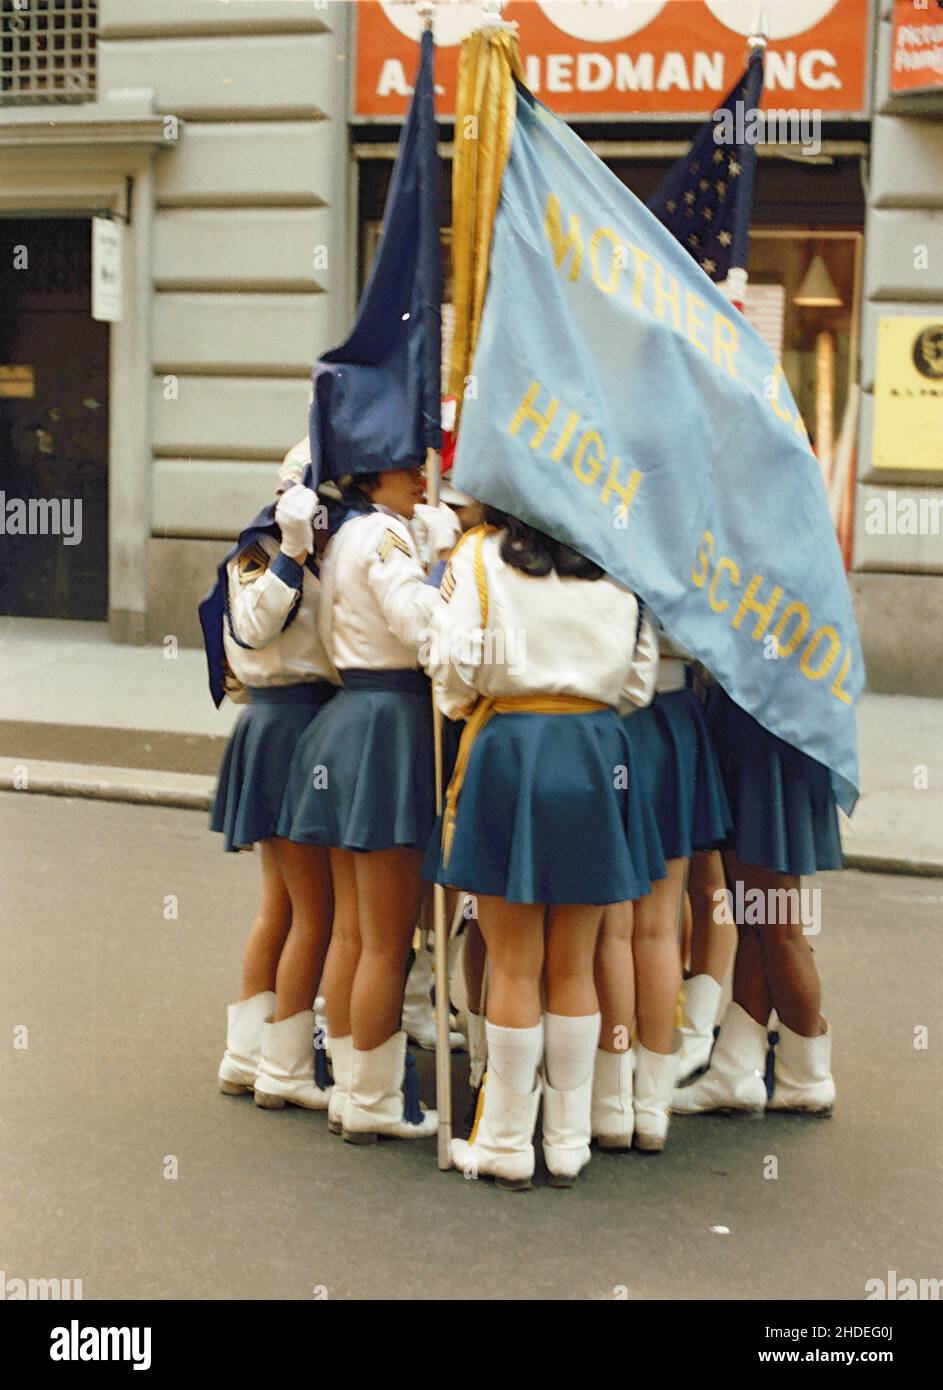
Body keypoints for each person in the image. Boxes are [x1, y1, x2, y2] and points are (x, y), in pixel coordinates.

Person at [425, 510, 665, 1190]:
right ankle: (565, 1141)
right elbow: (638, 682)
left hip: (510, 749)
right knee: (572, 964)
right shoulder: (619, 558)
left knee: (513, 964)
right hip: (594, 753)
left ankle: (504, 1141)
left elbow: (454, 669)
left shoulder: (479, 556)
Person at [278, 464, 460, 1144]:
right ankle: (375, 1100)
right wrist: (442, 563)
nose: (423, 475)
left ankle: (355, 1089)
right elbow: (420, 626)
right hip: (389, 723)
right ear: (368, 472)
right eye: (407, 464)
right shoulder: (385, 534)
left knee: (356, 933)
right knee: (384, 940)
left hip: (351, 719)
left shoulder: (351, 531)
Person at [205, 454, 339, 1112]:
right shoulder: (263, 549)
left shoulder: (323, 545)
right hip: (291, 726)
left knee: (285, 907)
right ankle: (281, 1064)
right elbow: (254, 626)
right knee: (313, 911)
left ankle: (247, 1051)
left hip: (290, 727)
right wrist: (290, 550)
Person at [591, 633, 732, 1152]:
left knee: (614, 925)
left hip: (611, 716)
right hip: (671, 717)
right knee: (656, 927)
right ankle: (651, 1108)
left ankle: (610, 1105)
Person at [672, 682, 840, 1117]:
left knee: (778, 926)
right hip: (760, 729)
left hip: (763, 734)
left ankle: (807, 1076)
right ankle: (736, 1069)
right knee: (755, 923)